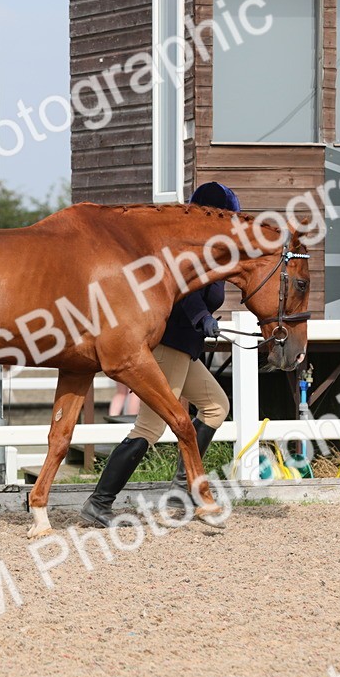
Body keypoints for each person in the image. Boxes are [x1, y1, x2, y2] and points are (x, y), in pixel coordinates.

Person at [80, 181, 238, 527]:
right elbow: (178, 289)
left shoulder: (210, 249)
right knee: (149, 428)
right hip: (169, 344)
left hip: (186, 347)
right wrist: (201, 317)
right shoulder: (189, 249)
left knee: (216, 407)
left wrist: (207, 322)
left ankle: (182, 489)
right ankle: (99, 503)